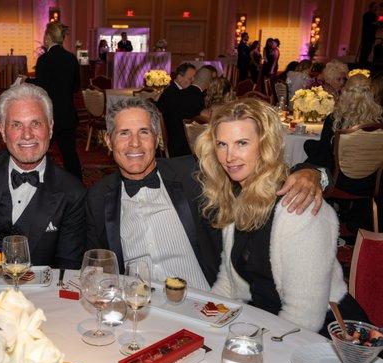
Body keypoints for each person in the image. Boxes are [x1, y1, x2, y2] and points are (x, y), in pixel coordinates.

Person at [86, 97, 326, 288]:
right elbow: (95, 269)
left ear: (158, 139)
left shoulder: (194, 173)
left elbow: (257, 169)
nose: (135, 143)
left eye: (144, 132)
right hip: (137, 308)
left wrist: (312, 172)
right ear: (108, 141)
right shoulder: (97, 197)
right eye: (124, 133)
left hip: (202, 303)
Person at [196, 98, 369, 335]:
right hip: (266, 322)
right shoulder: (236, 196)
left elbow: (304, 316)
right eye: (222, 144)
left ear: (265, 145)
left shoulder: (298, 208)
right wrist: (199, 323)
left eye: (242, 143)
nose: (229, 156)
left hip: (324, 338)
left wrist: (250, 342)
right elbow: (228, 283)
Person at [0, 83, 86, 269]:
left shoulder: (73, 192)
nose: (27, 135)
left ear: (50, 128)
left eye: (35, 123)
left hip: (36, 295)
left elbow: (67, 270)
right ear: (2, 130)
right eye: (16, 125)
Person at [304, 74, 382, 231]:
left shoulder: (335, 120)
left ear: (345, 93)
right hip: (371, 183)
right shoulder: (380, 121)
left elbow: (324, 155)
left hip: (339, 182)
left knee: (312, 153)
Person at [27, 21, 82, 180]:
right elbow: (75, 87)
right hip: (67, 115)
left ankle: (30, 182)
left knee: (37, 153)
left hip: (49, 116)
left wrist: (26, 81)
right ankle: (78, 187)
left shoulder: (44, 59)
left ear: (48, 37)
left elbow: (40, 88)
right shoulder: (71, 58)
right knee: (70, 156)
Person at [157, 63, 197, 156]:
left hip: (176, 133)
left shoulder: (180, 90)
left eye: (193, 77)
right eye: (190, 78)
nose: (192, 80)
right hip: (175, 141)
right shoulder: (171, 93)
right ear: (179, 77)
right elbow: (180, 117)